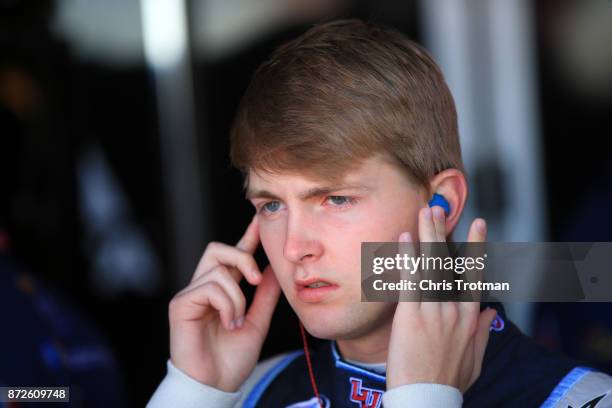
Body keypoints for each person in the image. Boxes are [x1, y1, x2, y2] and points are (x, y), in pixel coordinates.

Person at [148, 19, 612, 407]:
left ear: (443, 204)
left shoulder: (584, 399)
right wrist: (191, 391)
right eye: (271, 204)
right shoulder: (247, 392)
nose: (294, 248)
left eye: (336, 199)